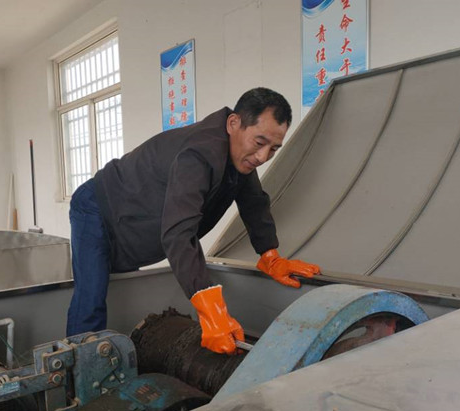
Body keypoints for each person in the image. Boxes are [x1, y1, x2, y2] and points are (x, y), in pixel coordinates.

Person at [67, 87, 320, 354]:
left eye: (274, 149)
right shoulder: (198, 154)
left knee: (121, 290)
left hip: (131, 215)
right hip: (96, 205)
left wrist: (269, 255)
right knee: (91, 296)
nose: (263, 157)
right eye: (259, 143)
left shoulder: (238, 156)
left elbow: (253, 202)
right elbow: (179, 232)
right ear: (234, 123)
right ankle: (78, 369)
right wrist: (210, 309)